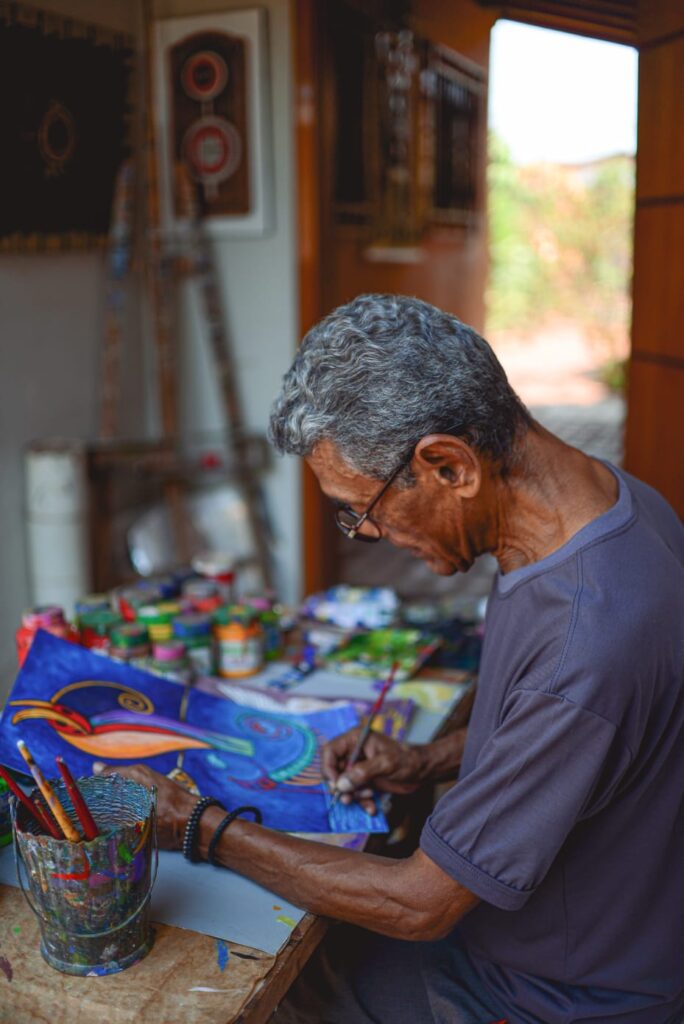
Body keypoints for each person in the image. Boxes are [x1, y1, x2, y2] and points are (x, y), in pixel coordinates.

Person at [99, 295, 684, 1024]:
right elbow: (578, 739)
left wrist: (197, 823)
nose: (366, 531)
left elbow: (421, 904)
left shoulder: (587, 635)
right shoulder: (611, 504)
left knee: (238, 995)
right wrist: (427, 759)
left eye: (362, 507)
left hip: (551, 997)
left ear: (449, 464)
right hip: (556, 947)